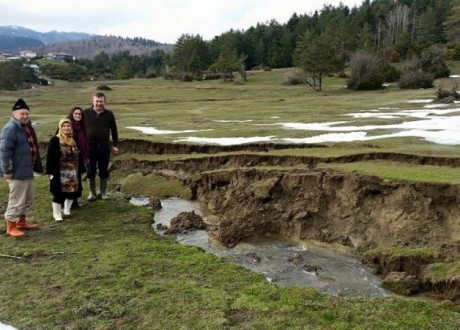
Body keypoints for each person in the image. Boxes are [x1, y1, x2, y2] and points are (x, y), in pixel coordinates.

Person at [0, 98, 43, 237]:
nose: (24, 116)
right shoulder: (10, 129)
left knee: (28, 198)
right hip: (17, 171)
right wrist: (7, 170)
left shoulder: (27, 127)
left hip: (27, 169)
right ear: (14, 114)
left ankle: (21, 221)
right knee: (17, 199)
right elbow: (4, 151)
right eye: (21, 114)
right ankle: (11, 226)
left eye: (26, 113)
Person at [45, 118, 85, 221]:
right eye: (64, 126)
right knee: (58, 194)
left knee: (72, 192)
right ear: (60, 128)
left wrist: (81, 169)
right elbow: (50, 157)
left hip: (73, 172)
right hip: (59, 172)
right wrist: (50, 172)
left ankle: (67, 210)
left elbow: (78, 155)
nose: (66, 128)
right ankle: (57, 214)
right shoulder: (55, 140)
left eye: (68, 126)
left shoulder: (73, 139)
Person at [83, 92, 119, 201]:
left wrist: (115, 145)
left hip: (104, 146)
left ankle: (103, 193)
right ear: (92, 101)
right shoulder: (85, 113)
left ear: (104, 102)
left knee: (104, 170)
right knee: (90, 171)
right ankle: (92, 193)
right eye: (97, 101)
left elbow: (114, 130)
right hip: (89, 146)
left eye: (101, 101)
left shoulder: (109, 114)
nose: (99, 103)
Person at [67, 106, 89, 209]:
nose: (77, 115)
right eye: (75, 113)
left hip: (79, 158)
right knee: (69, 181)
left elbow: (85, 144)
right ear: (72, 114)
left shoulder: (82, 128)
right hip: (68, 159)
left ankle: (74, 202)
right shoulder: (66, 126)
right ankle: (66, 203)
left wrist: (86, 156)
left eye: (79, 114)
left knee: (77, 181)